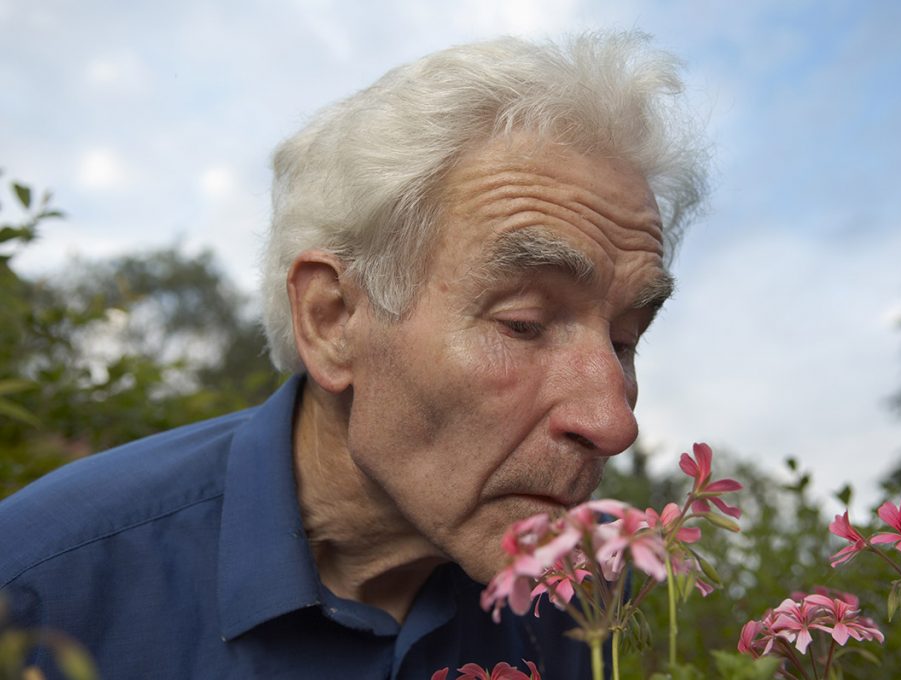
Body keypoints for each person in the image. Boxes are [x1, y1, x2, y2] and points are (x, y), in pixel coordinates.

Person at [0, 32, 705, 679]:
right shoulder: (43, 590)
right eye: (523, 324)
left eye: (624, 342)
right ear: (332, 319)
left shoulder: (598, 592)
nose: (613, 423)